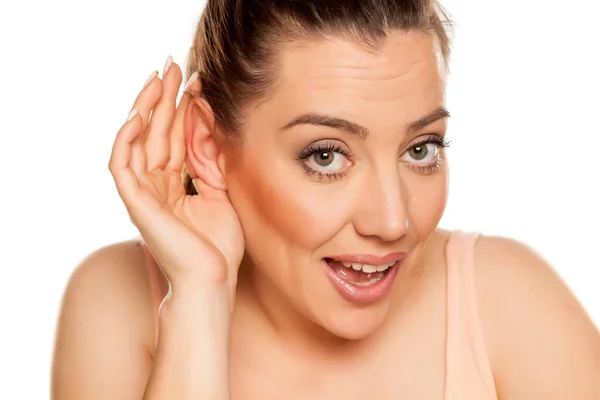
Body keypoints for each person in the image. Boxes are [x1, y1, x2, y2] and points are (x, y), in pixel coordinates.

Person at [51, 0, 600, 399]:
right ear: (208, 145)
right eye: (326, 156)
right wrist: (199, 298)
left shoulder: (513, 307)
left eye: (421, 148)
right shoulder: (114, 309)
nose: (393, 220)